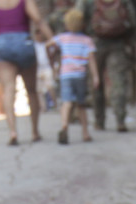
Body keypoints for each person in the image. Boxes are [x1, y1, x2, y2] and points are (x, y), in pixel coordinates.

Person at [0, 0, 52, 146]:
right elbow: (38, 20)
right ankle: (35, 132)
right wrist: (52, 38)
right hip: (24, 43)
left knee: (9, 89)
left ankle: (13, 132)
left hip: (2, 43)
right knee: (31, 90)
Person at [81, 0, 136, 132]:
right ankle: (120, 120)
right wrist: (129, 40)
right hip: (118, 43)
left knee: (95, 81)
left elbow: (78, 18)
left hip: (94, 44)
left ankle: (99, 121)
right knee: (118, 81)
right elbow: (133, 21)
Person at [53, 8, 97, 144]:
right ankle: (85, 133)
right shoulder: (87, 40)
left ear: (66, 24)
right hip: (80, 75)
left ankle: (64, 126)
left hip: (66, 74)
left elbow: (49, 44)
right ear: (83, 24)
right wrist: (96, 76)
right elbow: (91, 60)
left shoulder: (62, 38)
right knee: (81, 104)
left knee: (66, 103)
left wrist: (52, 58)